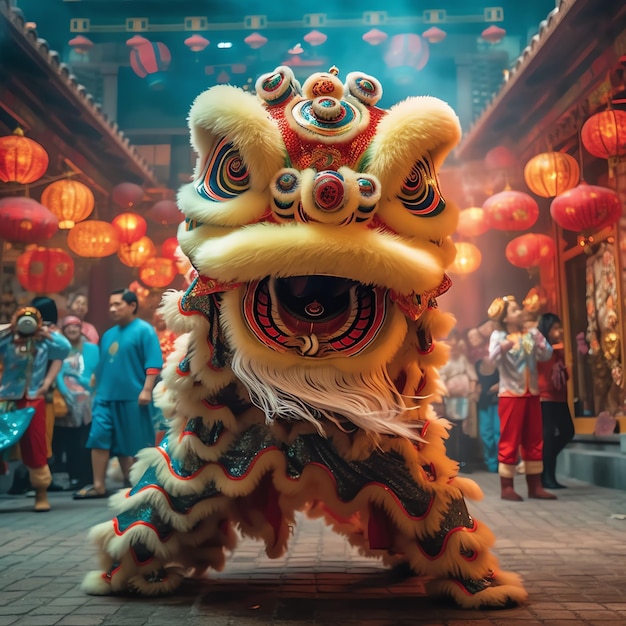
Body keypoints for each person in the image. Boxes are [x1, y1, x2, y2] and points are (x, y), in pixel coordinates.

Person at [73, 289, 162, 499]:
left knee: (133, 443)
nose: (112, 309)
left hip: (133, 396)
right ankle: (98, 485)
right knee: (98, 437)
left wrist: (147, 389)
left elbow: (153, 362)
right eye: (110, 305)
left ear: (132, 306)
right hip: (105, 396)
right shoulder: (108, 334)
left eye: (117, 304)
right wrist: (92, 389)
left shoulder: (144, 330)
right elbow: (102, 366)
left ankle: (133, 482)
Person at [0, 305, 70, 511]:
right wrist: (9, 329)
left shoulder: (44, 342)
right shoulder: (7, 341)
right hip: (7, 399)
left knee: (35, 444)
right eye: (23, 319)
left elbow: (64, 349)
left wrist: (46, 333)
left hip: (33, 398)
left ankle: (41, 492)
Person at [488, 295, 556, 501]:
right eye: (515, 310)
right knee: (510, 439)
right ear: (505, 318)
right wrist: (503, 347)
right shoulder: (499, 336)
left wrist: (541, 342)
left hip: (531, 393)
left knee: (534, 438)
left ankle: (535, 485)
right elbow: (492, 359)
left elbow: (546, 355)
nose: (520, 313)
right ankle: (506, 486)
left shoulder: (529, 334)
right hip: (511, 395)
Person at [53, 315, 100, 490]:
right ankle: (72, 476)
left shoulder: (92, 349)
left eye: (75, 327)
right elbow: (57, 373)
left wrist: (90, 388)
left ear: (81, 329)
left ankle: (87, 476)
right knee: (68, 439)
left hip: (89, 397)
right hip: (67, 399)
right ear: (63, 331)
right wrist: (66, 393)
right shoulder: (60, 349)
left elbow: (97, 370)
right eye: (68, 327)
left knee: (86, 437)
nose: (72, 330)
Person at [537, 312, 575, 489]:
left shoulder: (556, 350)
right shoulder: (541, 349)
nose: (559, 331)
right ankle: (547, 477)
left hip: (559, 398)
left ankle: (545, 471)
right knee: (549, 438)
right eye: (555, 328)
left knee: (568, 432)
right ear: (546, 329)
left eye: (559, 327)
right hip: (545, 398)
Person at [438, 329, 478, 473]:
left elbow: (472, 376)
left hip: (464, 399)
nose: (454, 343)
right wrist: (445, 393)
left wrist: (472, 391)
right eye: (451, 339)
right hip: (448, 399)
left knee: (464, 429)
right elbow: (439, 379)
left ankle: (463, 460)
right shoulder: (443, 359)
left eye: (456, 339)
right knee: (451, 429)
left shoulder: (463, 358)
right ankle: (450, 459)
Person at [474, 354, 500, 472]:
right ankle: (490, 462)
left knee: (498, 432)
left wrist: (500, 385)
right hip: (483, 403)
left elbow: (508, 378)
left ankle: (501, 462)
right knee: (485, 433)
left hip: (497, 403)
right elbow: (474, 381)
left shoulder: (500, 364)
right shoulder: (477, 365)